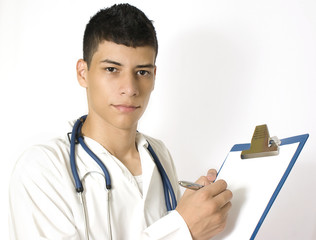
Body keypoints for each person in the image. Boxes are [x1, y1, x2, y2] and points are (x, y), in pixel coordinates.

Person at [9, 3, 232, 240]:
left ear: (154, 76)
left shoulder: (159, 154)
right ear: (83, 73)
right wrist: (182, 229)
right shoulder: (42, 170)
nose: (130, 88)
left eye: (142, 72)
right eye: (112, 69)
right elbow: (179, 231)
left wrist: (204, 211)